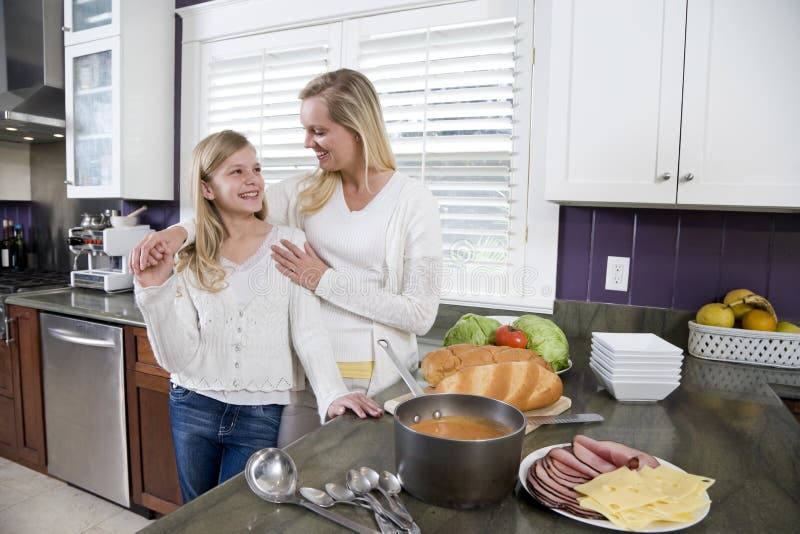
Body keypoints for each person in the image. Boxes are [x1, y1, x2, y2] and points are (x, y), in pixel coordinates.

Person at [130, 68, 442, 445]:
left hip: (380, 382)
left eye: (319, 131)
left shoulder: (413, 201)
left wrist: (322, 280)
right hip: (305, 382)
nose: (307, 142)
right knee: (289, 491)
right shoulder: (303, 191)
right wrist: (177, 232)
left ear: (357, 128)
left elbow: (421, 315)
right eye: (306, 130)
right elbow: (226, 207)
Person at [133, 130, 382, 502]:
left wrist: (333, 393)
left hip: (259, 413)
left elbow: (308, 330)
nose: (253, 180)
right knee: (196, 515)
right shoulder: (188, 254)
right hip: (191, 404)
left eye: (256, 168)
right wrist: (155, 292)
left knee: (239, 518)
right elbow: (176, 359)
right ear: (207, 188)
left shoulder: (289, 242)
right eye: (236, 171)